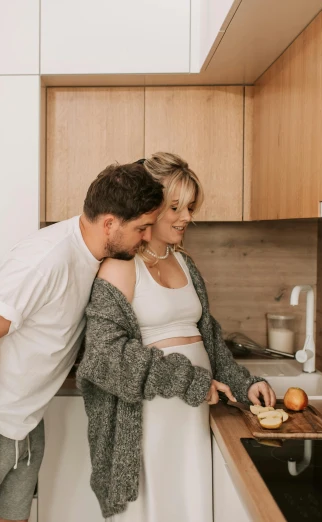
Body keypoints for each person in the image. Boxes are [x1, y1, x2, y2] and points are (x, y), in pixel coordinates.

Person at [0, 162, 165, 522]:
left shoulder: (96, 258)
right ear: (110, 223)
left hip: (24, 422)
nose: (146, 237)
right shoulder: (45, 259)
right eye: (142, 228)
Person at [77, 152, 277, 522]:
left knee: (189, 506)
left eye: (190, 207)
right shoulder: (121, 266)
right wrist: (189, 381)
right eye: (175, 207)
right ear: (151, 208)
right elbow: (105, 358)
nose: (187, 217)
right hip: (149, 418)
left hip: (194, 414)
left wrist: (244, 384)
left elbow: (210, 341)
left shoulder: (185, 262)